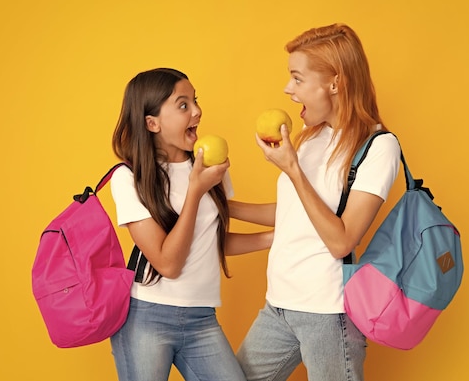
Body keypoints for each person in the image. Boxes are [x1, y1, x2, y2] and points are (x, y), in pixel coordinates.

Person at [231, 23, 401, 381]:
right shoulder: (311, 138)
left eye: (297, 78)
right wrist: (224, 205)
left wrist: (293, 170)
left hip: (327, 312)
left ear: (334, 83)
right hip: (279, 304)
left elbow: (342, 239)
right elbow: (295, 215)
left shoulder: (378, 146)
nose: (287, 89)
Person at [109, 68, 272, 381]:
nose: (197, 111)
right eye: (183, 105)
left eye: (195, 101)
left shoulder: (210, 165)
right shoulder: (130, 178)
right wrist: (196, 191)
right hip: (147, 317)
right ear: (151, 123)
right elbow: (168, 263)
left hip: (201, 318)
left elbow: (210, 242)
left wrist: (272, 239)